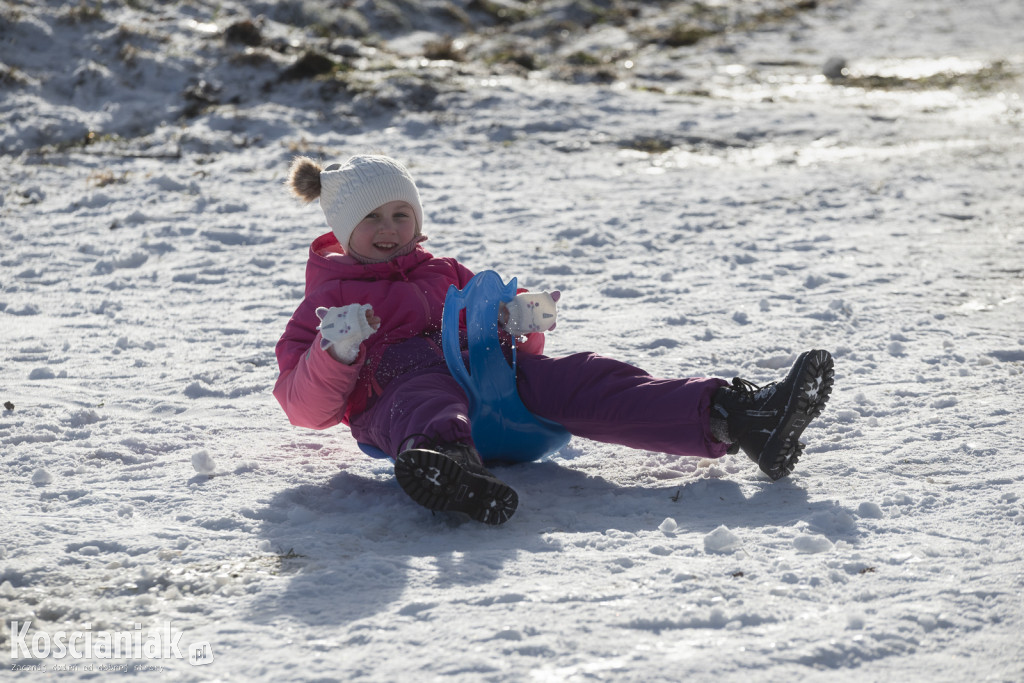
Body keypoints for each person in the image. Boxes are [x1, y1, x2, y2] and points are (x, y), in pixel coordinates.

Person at [274, 154, 834, 525]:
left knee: (585, 377)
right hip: (400, 397)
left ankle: (738, 417)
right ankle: (449, 470)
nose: (390, 228)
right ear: (343, 231)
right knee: (424, 396)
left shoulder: (445, 272)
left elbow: (495, 328)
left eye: (401, 213)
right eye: (372, 218)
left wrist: (515, 321)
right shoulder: (329, 301)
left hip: (490, 384)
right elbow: (304, 408)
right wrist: (335, 351)